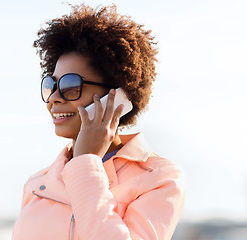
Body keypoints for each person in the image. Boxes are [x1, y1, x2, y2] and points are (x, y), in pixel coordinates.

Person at [12, 3, 185, 240]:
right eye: (50, 85)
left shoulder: (159, 177)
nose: (53, 98)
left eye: (70, 86)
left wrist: (86, 162)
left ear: (117, 97)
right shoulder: (37, 184)